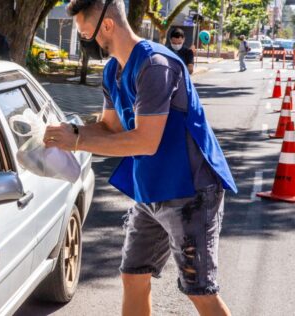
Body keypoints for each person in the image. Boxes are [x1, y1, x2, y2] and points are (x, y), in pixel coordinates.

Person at [44, 1, 237, 315]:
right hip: (149, 190)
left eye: (84, 32)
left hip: (191, 192)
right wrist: (70, 132)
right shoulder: (113, 70)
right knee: (133, 275)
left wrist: (77, 140)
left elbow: (145, 141)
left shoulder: (155, 65)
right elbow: (109, 127)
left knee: (199, 290)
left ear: (106, 26)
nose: (84, 41)